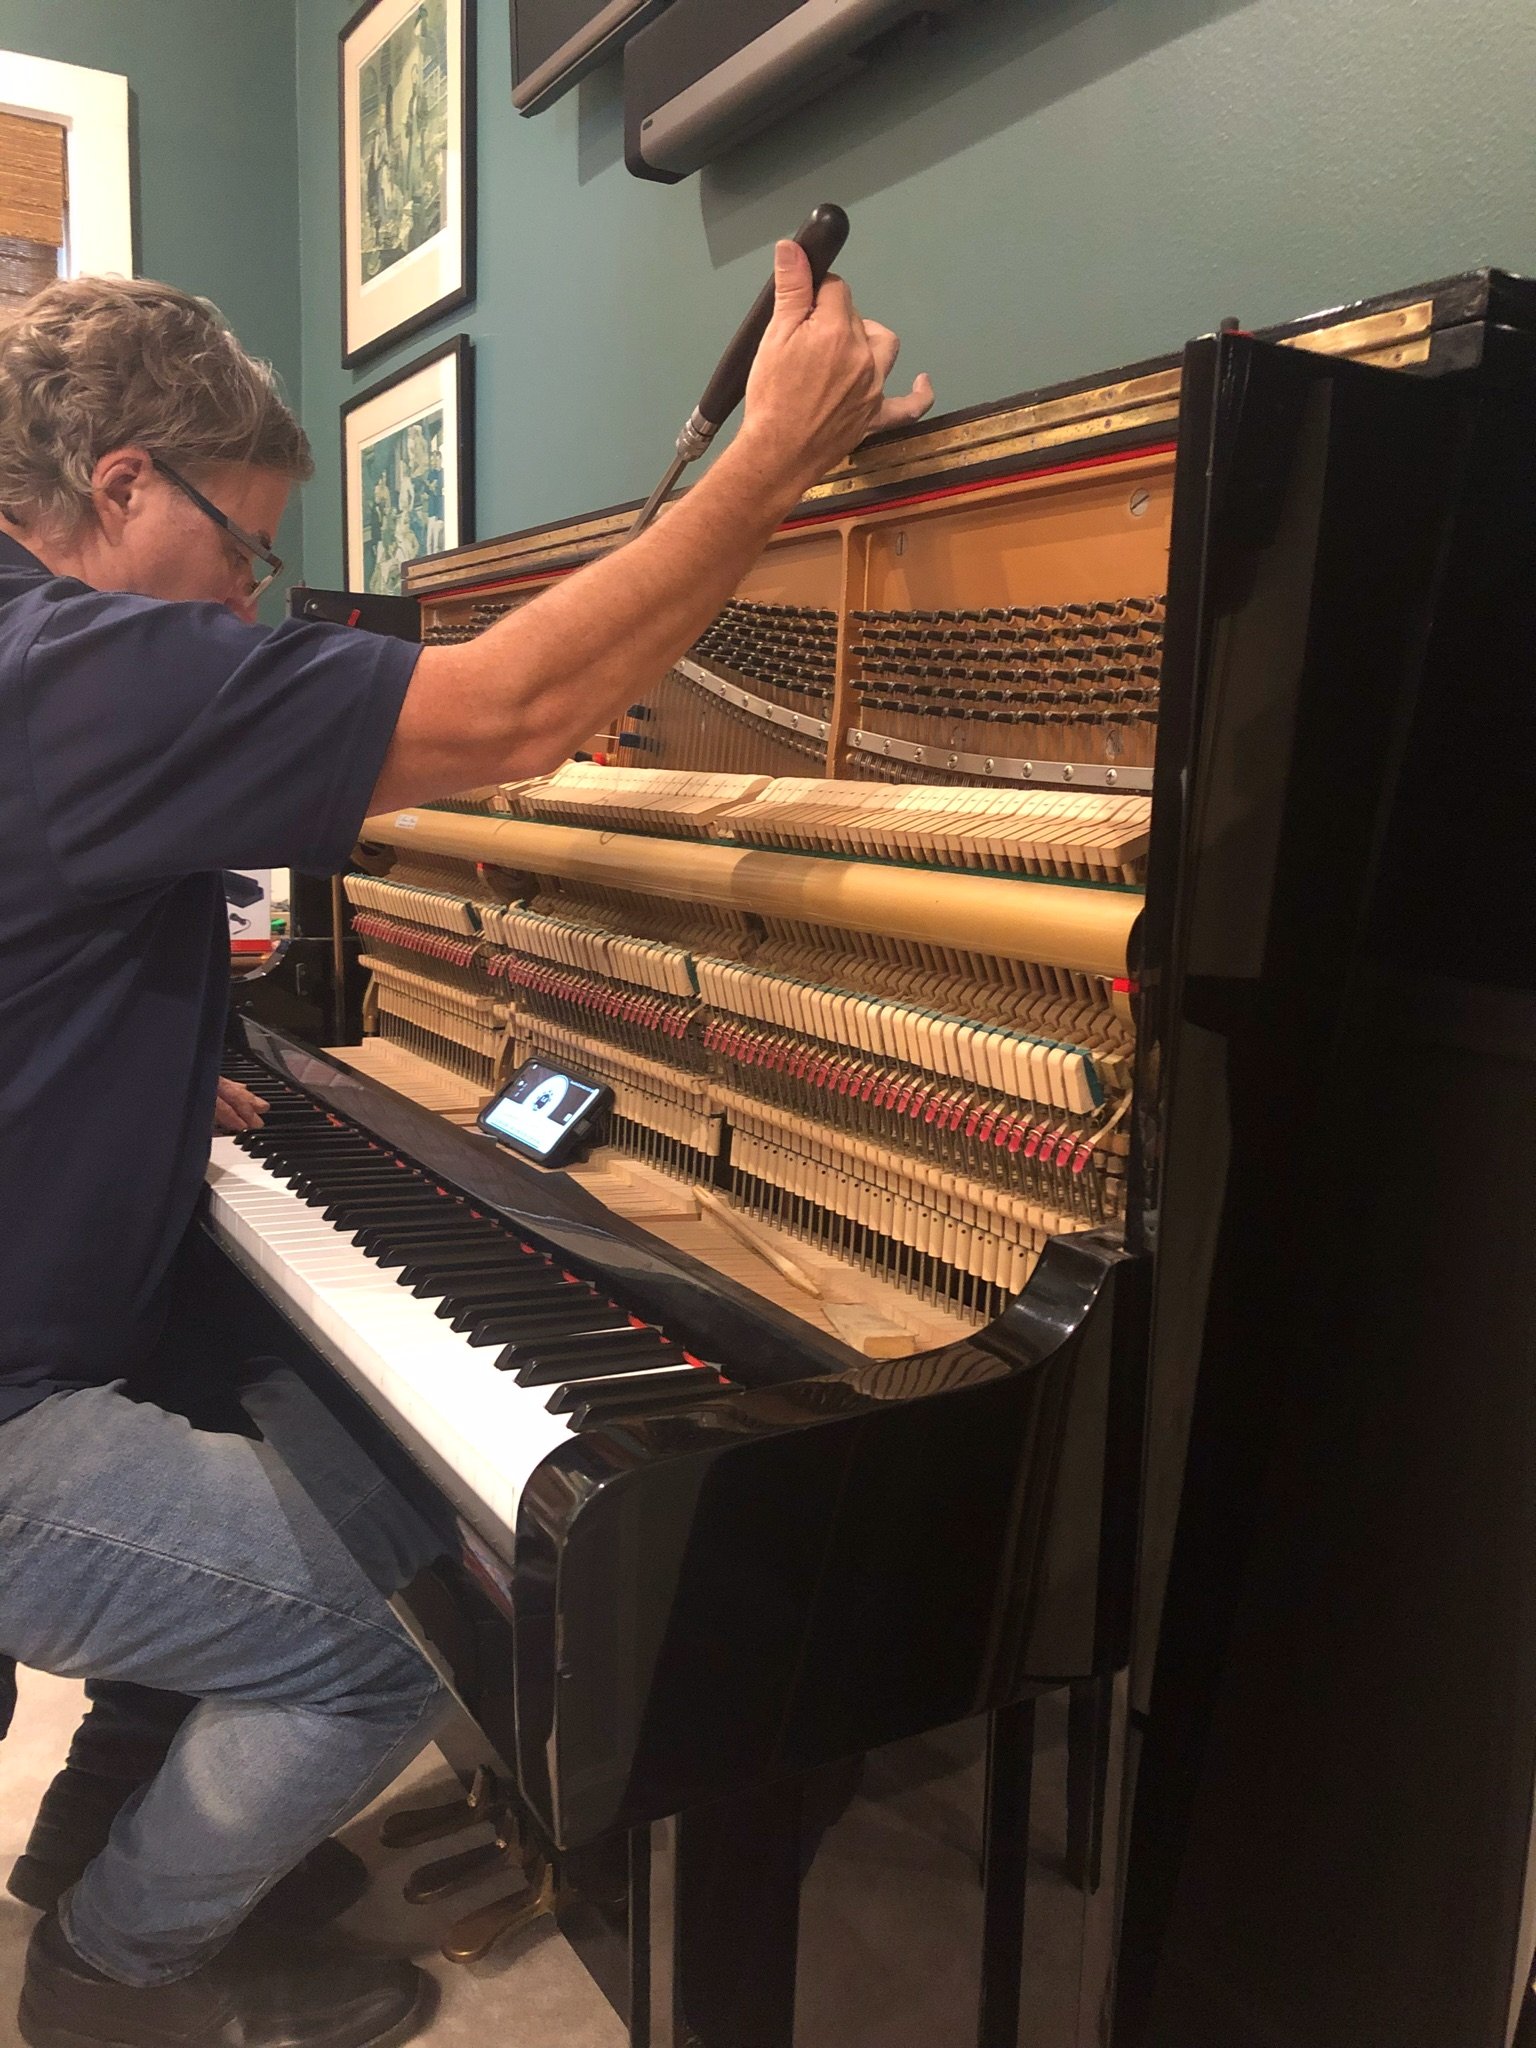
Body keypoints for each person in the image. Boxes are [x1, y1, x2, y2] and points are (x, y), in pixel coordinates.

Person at [0, 257, 931, 2048]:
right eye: (243, 551)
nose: (248, 600)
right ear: (123, 485)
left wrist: (135, 1074)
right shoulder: (74, 672)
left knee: (255, 1431)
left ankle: (92, 1838)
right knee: (404, 1623)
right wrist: (769, 460)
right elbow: (505, 715)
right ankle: (116, 1974)